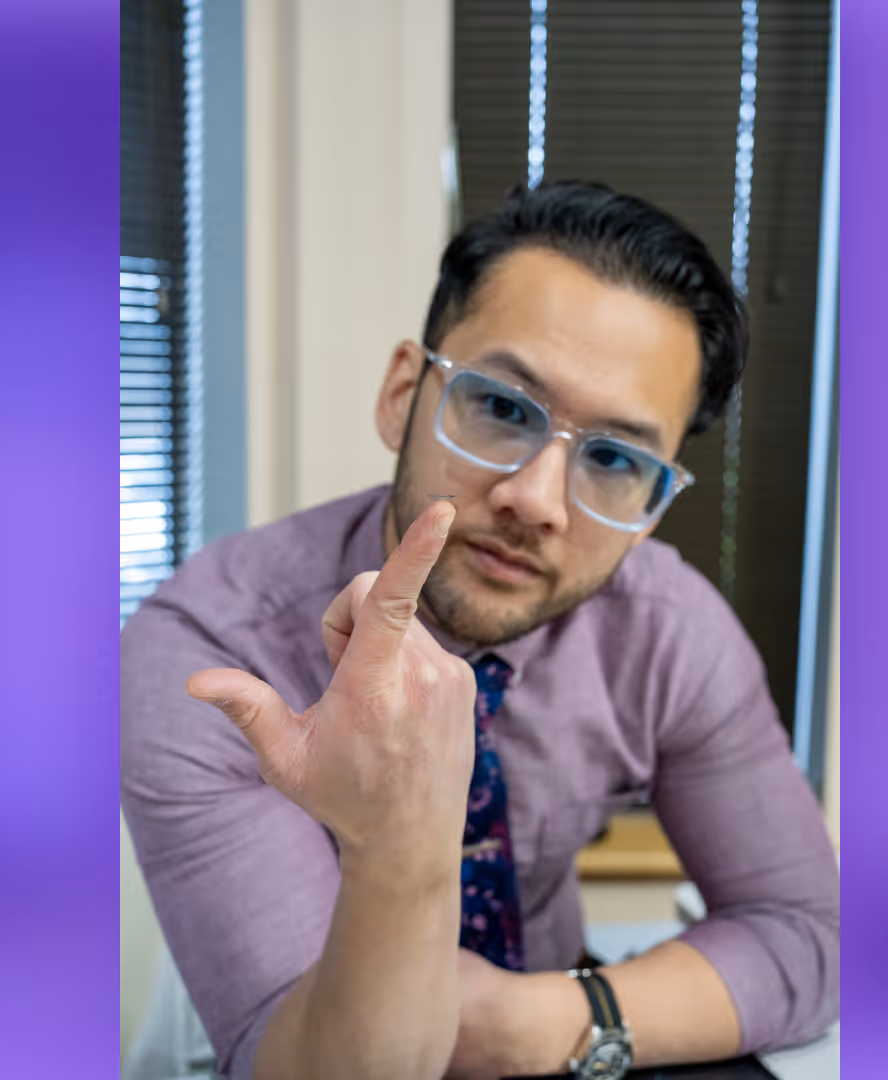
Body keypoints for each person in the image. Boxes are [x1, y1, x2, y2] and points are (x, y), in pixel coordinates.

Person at [121, 181, 839, 1080]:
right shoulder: (210, 654)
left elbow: (809, 936)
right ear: (400, 396)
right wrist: (402, 839)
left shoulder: (667, 630)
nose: (535, 501)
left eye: (615, 459)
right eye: (502, 408)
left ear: (650, 509)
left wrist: (539, 1022)